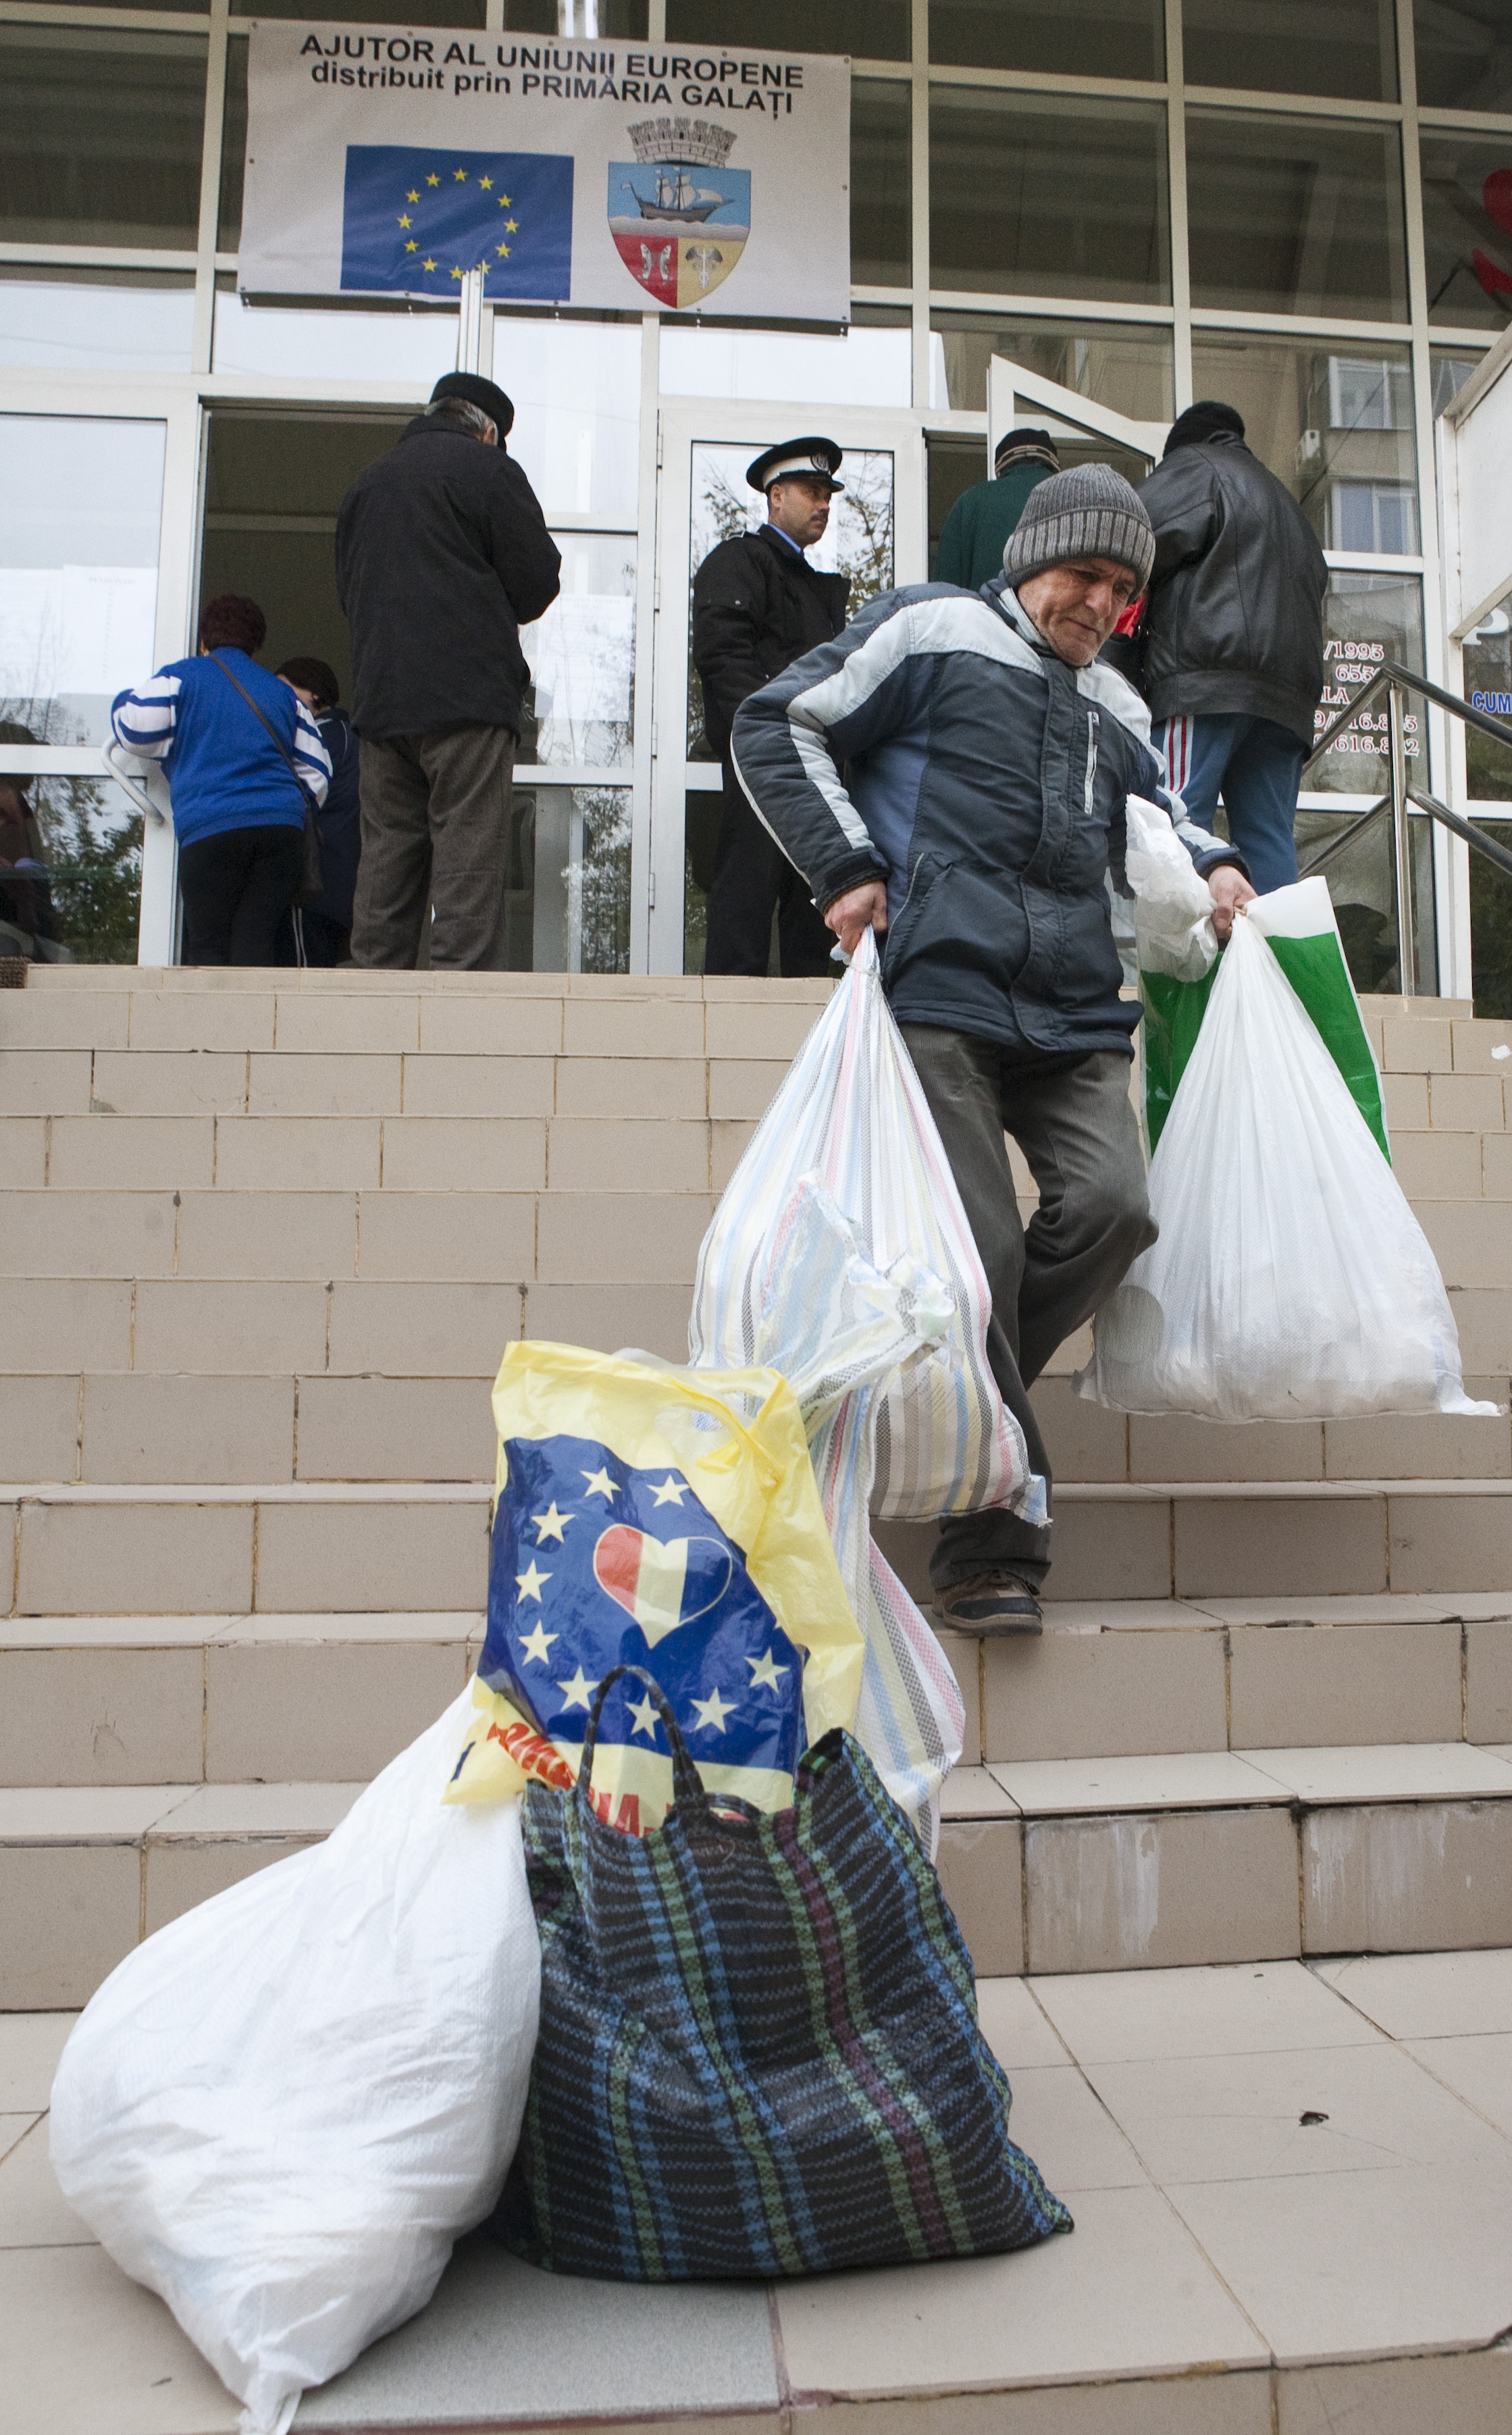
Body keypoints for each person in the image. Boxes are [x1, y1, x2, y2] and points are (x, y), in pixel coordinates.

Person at [731, 463, 1255, 1633]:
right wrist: (846, 865)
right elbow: (776, 721)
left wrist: (1215, 862)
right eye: (1083, 574)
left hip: (1071, 1012)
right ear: (1030, 559)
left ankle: (915, 1380)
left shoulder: (1116, 706)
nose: (1097, 604)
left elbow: (1165, 820)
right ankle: (990, 1544)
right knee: (976, 1253)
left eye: (1121, 588)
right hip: (937, 994)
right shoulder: (933, 629)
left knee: (1114, 1209)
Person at [335, 371, 561, 971]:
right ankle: (462, 1018)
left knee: (385, 866)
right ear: (487, 432)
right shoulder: (489, 471)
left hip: (382, 707)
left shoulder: (366, 484)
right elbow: (538, 581)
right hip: (468, 703)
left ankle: (372, 1010)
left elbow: (347, 591)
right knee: (467, 865)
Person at [1132, 400, 1328, 896]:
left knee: (1175, 823)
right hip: (1286, 703)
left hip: (1204, 682)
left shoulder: (1194, 467)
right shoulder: (1287, 504)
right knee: (1268, 841)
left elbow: (1130, 539)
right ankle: (1274, 970)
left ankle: (1179, 973)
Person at [692, 436, 850, 977]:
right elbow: (723, 657)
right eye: (812, 491)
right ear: (775, 494)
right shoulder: (739, 562)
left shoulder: (813, 586)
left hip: (812, 768)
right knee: (745, 904)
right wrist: (768, 732)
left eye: (828, 493)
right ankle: (727, 1036)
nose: (824, 503)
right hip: (763, 763)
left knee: (814, 921)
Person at [111, 595, 330, 967]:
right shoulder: (281, 693)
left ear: (203, 640)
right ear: (256, 644)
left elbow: (136, 729)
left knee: (208, 944)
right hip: (279, 831)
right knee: (256, 942)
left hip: (210, 827)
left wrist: (120, 700)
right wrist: (282, 805)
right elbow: (318, 772)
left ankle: (213, 1026)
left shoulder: (180, 677)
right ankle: (256, 1026)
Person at [275, 657, 359, 965]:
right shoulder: (349, 735)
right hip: (340, 881)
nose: (280, 699)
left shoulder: (321, 738)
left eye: (286, 690)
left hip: (315, 881)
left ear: (313, 693)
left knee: (302, 978)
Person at [932, 428, 1062, 592]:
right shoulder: (1075, 500)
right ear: (1054, 467)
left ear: (1001, 468)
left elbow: (942, 593)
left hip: (987, 616)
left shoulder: (971, 502)